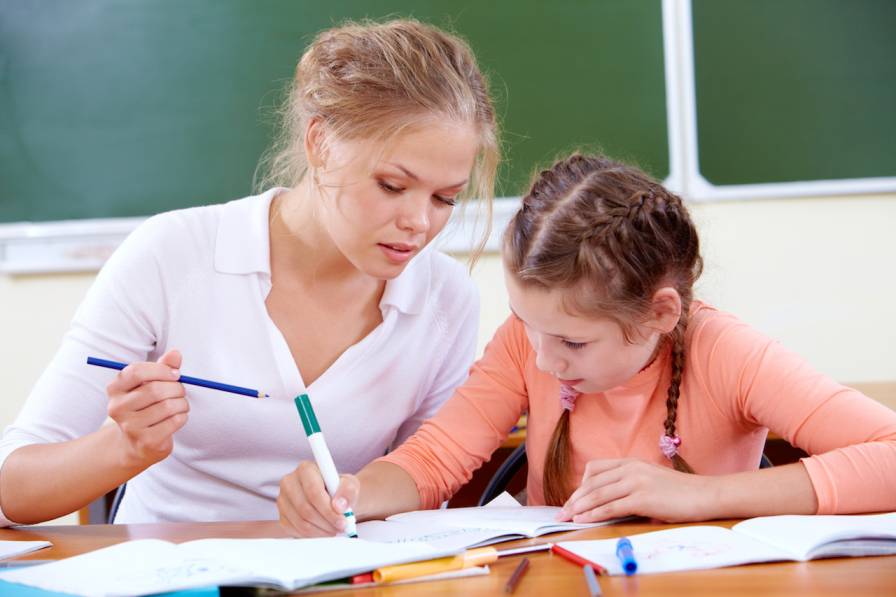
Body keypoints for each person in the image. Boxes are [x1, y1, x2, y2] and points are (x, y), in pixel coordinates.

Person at [0, 19, 499, 525]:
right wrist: (124, 449)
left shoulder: (445, 297)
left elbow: (429, 475)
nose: (418, 223)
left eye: (445, 199)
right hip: (173, 574)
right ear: (320, 144)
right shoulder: (171, 254)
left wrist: (354, 498)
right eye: (392, 185)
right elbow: (12, 489)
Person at [277, 152, 896, 537]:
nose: (544, 361)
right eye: (527, 324)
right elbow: (438, 458)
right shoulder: (528, 344)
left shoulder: (726, 352)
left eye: (573, 341)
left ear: (658, 314)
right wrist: (354, 493)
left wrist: (702, 494)